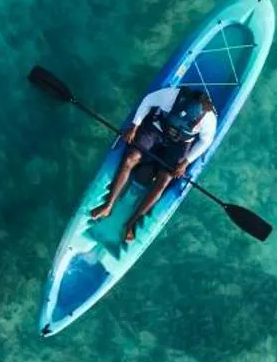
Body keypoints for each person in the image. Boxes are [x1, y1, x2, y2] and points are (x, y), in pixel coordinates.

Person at [88, 85, 218, 244]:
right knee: (130, 158)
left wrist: (186, 162)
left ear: (198, 119)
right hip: (157, 129)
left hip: (180, 143)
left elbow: (205, 142)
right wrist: (134, 126)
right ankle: (108, 205)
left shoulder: (209, 119)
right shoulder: (171, 95)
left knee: (164, 180)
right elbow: (148, 100)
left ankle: (132, 222)